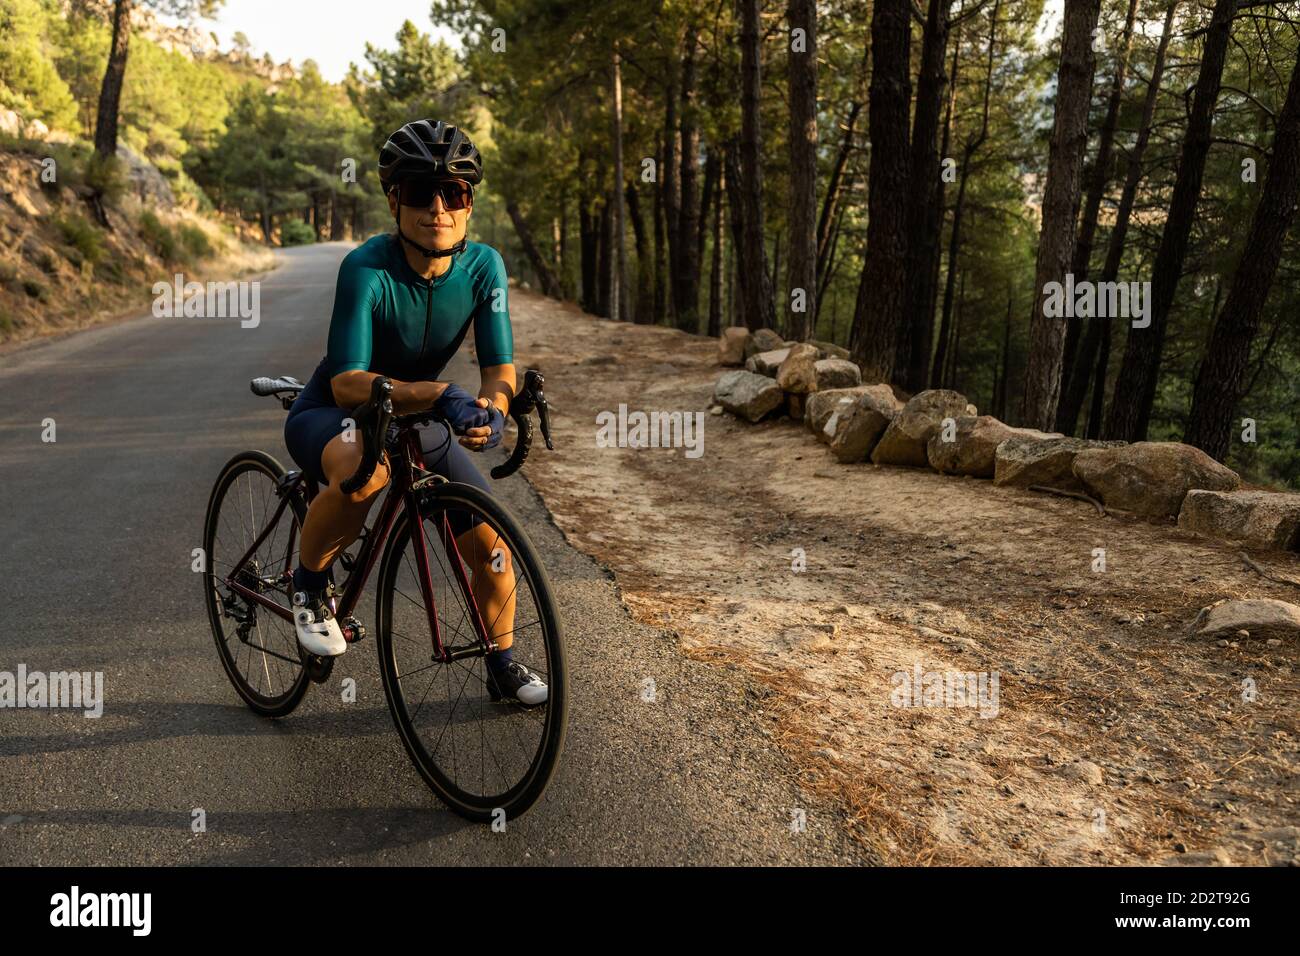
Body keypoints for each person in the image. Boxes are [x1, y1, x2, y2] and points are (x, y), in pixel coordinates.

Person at [282, 119, 545, 705]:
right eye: (422, 193)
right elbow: (350, 382)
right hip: (334, 412)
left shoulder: (484, 268)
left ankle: (501, 661)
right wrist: (435, 395)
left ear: (469, 202)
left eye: (454, 194)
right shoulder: (367, 267)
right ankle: (308, 585)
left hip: (413, 420)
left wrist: (493, 406)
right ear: (395, 199)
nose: (439, 209)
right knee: (363, 470)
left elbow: (500, 365)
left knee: (495, 544)